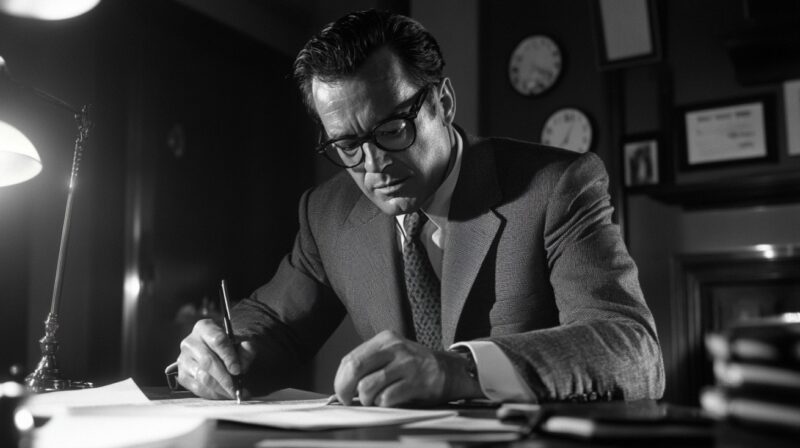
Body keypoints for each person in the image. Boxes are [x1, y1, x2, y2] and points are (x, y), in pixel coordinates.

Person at [174, 9, 665, 407]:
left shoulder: (557, 186)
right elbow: (274, 324)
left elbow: (634, 351)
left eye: (392, 130)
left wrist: (460, 368)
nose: (374, 165)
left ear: (443, 102)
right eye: (347, 145)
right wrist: (222, 353)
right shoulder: (327, 212)